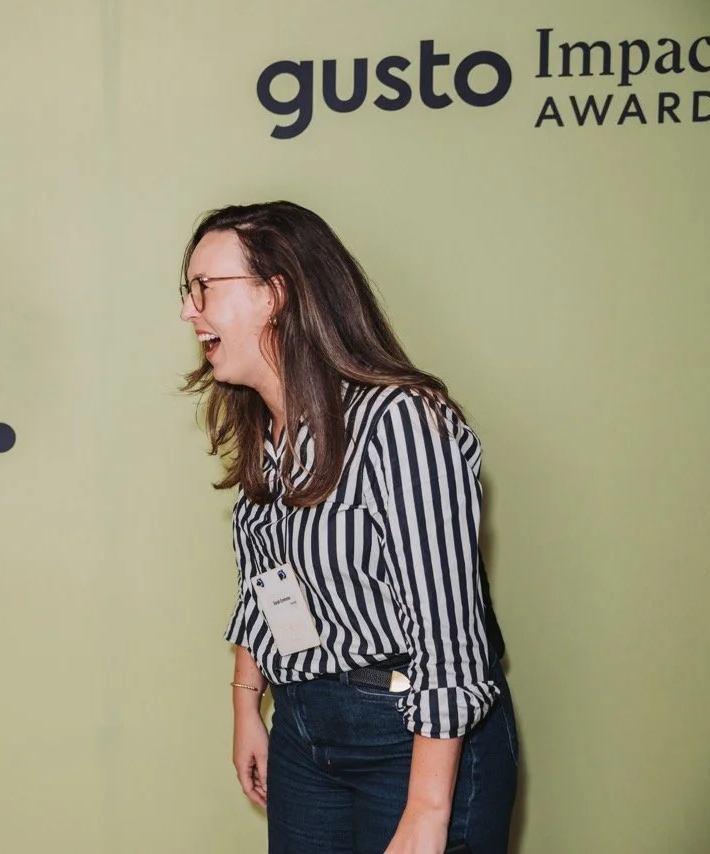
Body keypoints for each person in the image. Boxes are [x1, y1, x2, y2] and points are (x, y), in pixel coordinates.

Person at [177, 201, 518, 854]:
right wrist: (248, 702)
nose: (188, 312)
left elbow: (450, 636)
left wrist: (425, 809)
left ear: (276, 293)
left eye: (203, 289)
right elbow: (267, 582)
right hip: (305, 731)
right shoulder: (265, 432)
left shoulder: (403, 422)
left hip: (415, 740)